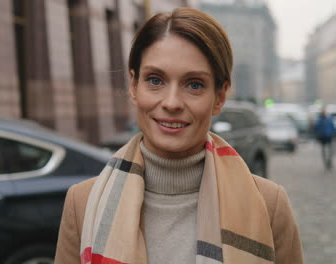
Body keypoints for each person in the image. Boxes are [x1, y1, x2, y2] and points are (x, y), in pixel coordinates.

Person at [55, 8, 303, 264]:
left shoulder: (268, 205)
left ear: (219, 97)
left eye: (194, 84)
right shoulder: (82, 203)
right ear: (133, 86)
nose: (172, 103)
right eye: (155, 80)